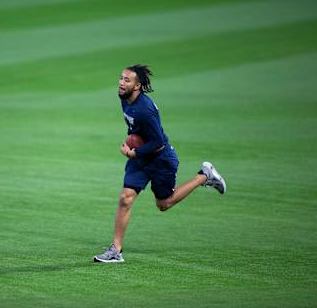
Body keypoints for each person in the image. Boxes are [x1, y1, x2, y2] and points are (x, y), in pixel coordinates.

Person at [93, 64, 226, 263]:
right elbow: (137, 130)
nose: (121, 83)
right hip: (141, 158)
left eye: (127, 80)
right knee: (125, 199)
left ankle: (204, 176)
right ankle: (116, 251)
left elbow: (158, 142)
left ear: (137, 86)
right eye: (121, 78)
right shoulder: (125, 99)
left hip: (160, 160)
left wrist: (134, 151)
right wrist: (130, 142)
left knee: (164, 204)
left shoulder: (145, 109)